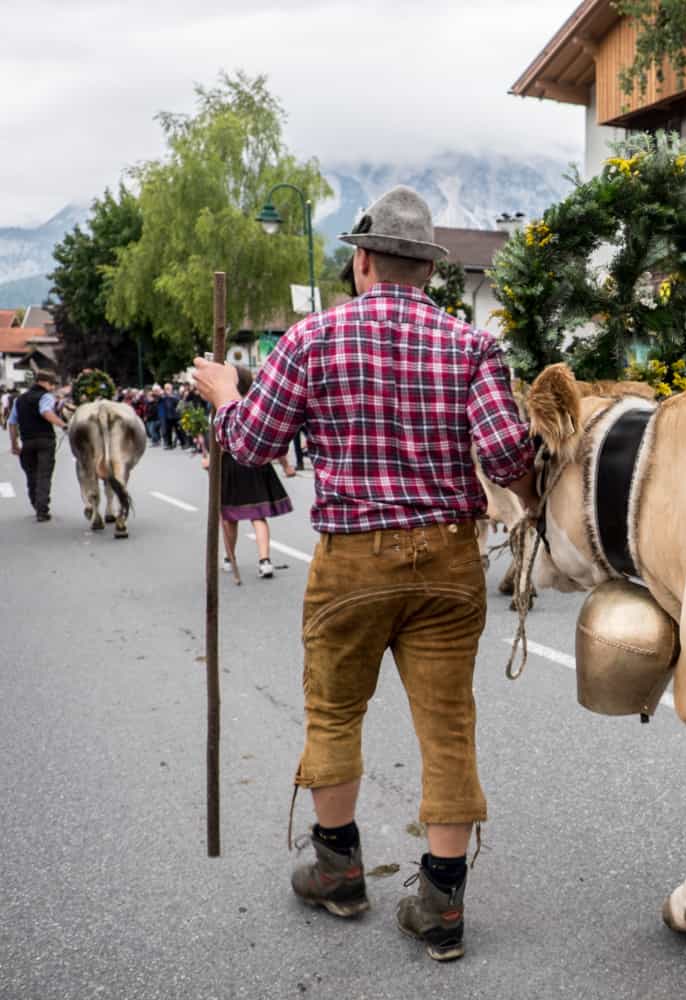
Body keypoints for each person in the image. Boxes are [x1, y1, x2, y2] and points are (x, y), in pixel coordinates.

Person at [193, 186, 538, 962]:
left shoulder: (312, 338)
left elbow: (250, 444)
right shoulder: (470, 344)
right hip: (448, 557)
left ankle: (339, 870)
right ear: (426, 270)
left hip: (351, 558)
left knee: (335, 713)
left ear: (362, 261)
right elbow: (512, 458)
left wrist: (223, 394)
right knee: (447, 723)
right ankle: (442, 902)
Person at [203, 366, 293, 579]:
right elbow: (272, 436)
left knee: (229, 517)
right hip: (256, 463)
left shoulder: (222, 407)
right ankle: (264, 560)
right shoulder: (256, 405)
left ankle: (230, 557)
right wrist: (286, 464)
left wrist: (210, 459)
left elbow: (223, 442)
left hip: (232, 467)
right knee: (258, 515)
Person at [7, 370, 67, 522]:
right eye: (52, 384)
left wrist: (14, 444)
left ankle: (35, 503)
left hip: (27, 441)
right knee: (44, 475)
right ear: (44, 382)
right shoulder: (46, 396)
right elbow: (45, 411)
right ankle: (42, 510)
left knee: (31, 475)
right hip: (45, 440)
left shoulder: (19, 399)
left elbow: (12, 423)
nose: (53, 387)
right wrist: (63, 425)